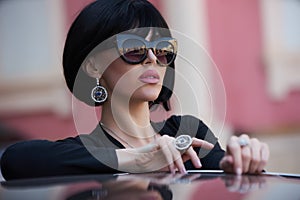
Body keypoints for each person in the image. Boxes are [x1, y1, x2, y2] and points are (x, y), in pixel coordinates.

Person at [0, 0, 269, 180]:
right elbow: (15, 160)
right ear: (94, 66)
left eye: (162, 49)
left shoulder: (187, 132)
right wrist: (137, 160)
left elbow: (221, 173)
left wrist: (240, 162)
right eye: (134, 49)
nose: (152, 58)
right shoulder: (83, 152)